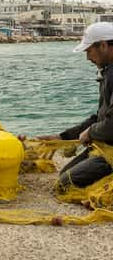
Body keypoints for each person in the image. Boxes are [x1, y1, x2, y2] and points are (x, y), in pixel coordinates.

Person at [37, 22, 113, 189]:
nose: (87, 58)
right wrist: (62, 137)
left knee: (67, 184)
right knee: (65, 176)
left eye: (89, 51)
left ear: (103, 45)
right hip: (107, 146)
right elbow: (101, 117)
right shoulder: (108, 71)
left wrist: (91, 132)